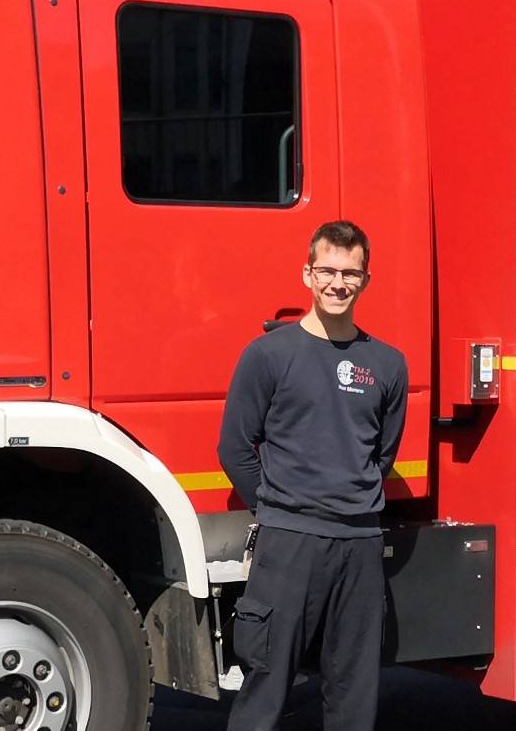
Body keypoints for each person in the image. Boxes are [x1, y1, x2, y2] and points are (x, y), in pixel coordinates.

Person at [217, 220, 407, 731]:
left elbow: (382, 455)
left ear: (365, 280)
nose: (338, 283)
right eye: (327, 270)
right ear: (307, 274)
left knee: (354, 693)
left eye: (350, 273)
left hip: (360, 543)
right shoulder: (268, 356)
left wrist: (349, 501)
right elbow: (234, 447)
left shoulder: (387, 365)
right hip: (290, 543)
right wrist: (281, 508)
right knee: (266, 684)